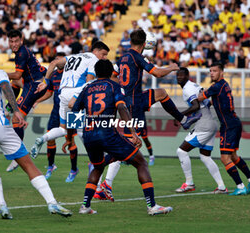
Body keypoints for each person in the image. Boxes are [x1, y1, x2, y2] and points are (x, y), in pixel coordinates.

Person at [0, 47, 72, 219]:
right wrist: (16, 111)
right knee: (28, 164)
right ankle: (52, 202)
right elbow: (6, 88)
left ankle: (2, 206)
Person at [93, 29, 201, 201]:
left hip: (131, 99)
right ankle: (102, 178)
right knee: (128, 147)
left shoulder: (124, 57)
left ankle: (183, 119)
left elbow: (115, 76)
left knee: (161, 93)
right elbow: (157, 73)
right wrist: (172, 68)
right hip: (134, 103)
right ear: (144, 44)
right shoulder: (137, 56)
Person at [64, 59, 173, 215]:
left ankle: (85, 206)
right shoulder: (114, 86)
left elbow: (73, 113)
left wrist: (69, 138)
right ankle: (152, 206)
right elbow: (121, 107)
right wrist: (133, 132)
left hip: (88, 135)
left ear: (95, 73)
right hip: (106, 133)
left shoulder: (87, 88)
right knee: (141, 162)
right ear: (110, 73)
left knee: (98, 166)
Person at [30, 41, 110, 181]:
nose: (103, 58)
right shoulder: (93, 59)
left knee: (63, 129)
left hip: (63, 94)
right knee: (82, 130)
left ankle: (43, 138)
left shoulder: (73, 57)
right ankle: (94, 161)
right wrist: (79, 97)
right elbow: (89, 81)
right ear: (96, 51)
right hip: (76, 94)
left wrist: (45, 81)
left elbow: (53, 63)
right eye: (103, 54)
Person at [197, 62, 250, 196]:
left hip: (229, 126)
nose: (212, 73)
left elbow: (200, 97)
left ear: (222, 72)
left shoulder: (217, 86)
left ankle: (240, 186)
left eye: (214, 71)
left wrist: (200, 93)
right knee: (233, 156)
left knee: (225, 158)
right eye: (210, 71)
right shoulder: (224, 85)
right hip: (235, 123)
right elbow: (217, 101)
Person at [174, 67, 227, 194]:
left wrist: (180, 116)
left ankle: (189, 183)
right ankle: (221, 187)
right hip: (210, 122)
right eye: (177, 76)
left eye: (181, 76)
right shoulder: (194, 86)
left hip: (204, 125)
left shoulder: (188, 88)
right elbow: (207, 104)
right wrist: (192, 119)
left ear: (187, 76)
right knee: (205, 157)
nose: (179, 78)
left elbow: (196, 105)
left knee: (181, 151)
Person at [32, 53, 79, 182]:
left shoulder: (70, 74)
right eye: (55, 59)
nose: (56, 61)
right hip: (55, 112)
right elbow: (49, 92)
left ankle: (74, 169)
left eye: (59, 60)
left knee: (71, 141)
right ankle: (51, 166)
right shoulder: (53, 75)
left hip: (69, 111)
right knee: (50, 140)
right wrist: (37, 101)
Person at [5, 29, 48, 172]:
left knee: (16, 120)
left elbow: (17, 75)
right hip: (32, 83)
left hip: (33, 85)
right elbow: (40, 68)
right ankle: (10, 107)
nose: (14, 44)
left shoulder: (22, 53)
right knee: (13, 84)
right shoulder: (24, 52)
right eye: (11, 41)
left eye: (16, 41)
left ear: (21, 40)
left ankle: (18, 156)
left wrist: (1, 74)